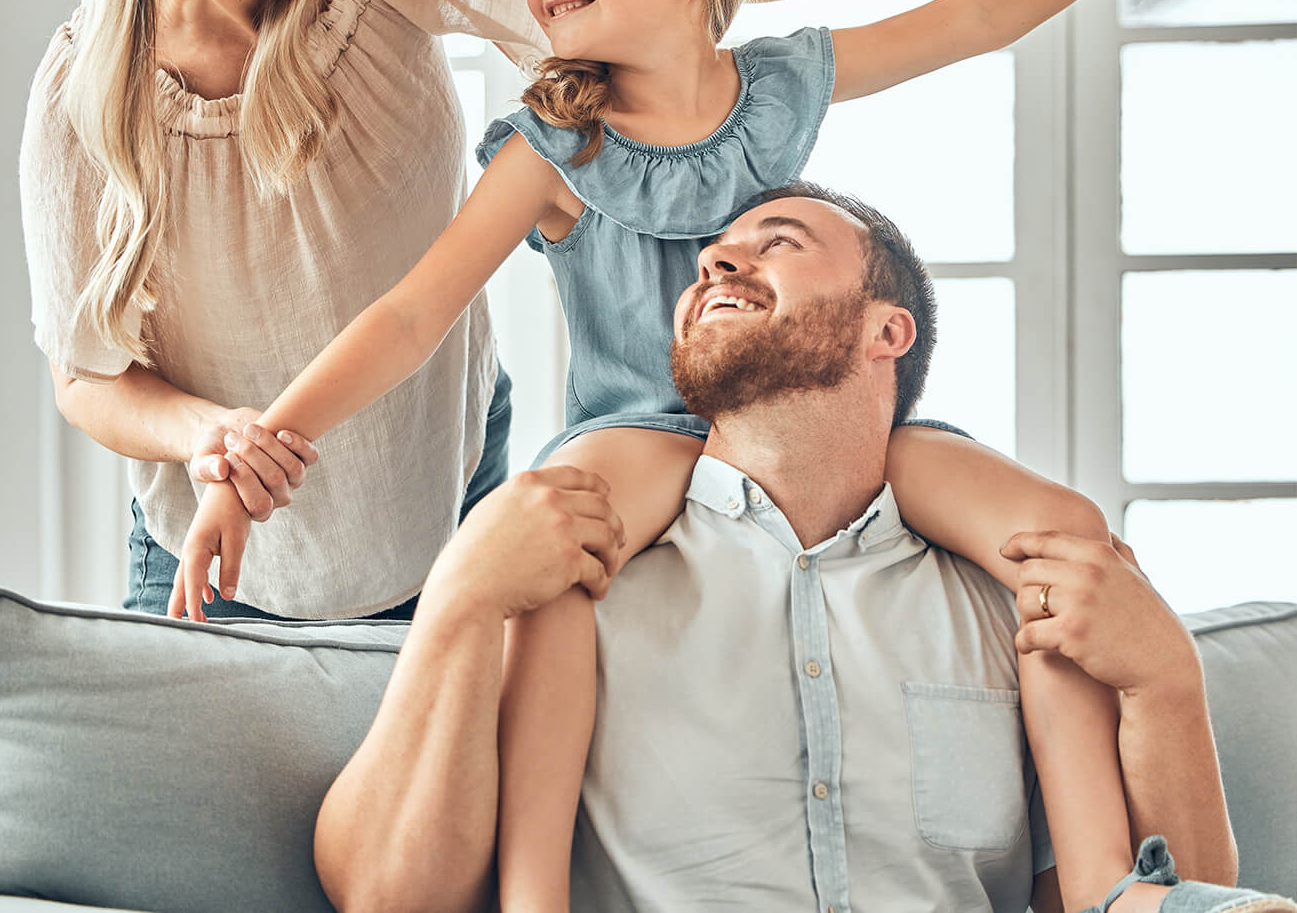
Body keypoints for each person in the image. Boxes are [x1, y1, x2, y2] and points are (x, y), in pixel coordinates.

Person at [168, 0, 1261, 913]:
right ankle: (535, 892)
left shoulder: (777, 89)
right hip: (635, 430)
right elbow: (411, 314)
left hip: (784, 417)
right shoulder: (555, 145)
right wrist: (258, 455)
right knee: (556, 571)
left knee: (1057, 530)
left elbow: (972, 18)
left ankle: (1113, 890)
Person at [20, 0, 1262, 624]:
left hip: (441, 480)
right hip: (239, 536)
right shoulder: (92, 109)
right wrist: (236, 448)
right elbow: (112, 372)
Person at [310, 184, 1294, 913]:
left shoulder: (1016, 599)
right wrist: (458, 600)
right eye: (709, 261)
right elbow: (386, 898)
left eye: (774, 243)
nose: (716, 265)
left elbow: (1152, 897)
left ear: (886, 329)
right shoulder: (576, 574)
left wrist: (1166, 679)